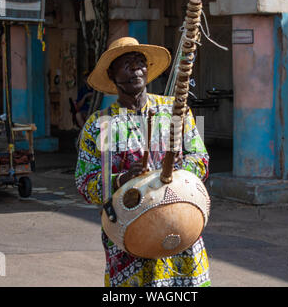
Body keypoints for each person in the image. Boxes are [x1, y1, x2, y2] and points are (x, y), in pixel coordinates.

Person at [74, 37, 210, 287]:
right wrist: (123, 179)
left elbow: (201, 159)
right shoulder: (100, 124)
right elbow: (85, 184)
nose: (136, 69)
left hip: (180, 227)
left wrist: (173, 171)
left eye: (140, 62)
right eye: (127, 64)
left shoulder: (177, 111)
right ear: (112, 74)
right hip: (129, 236)